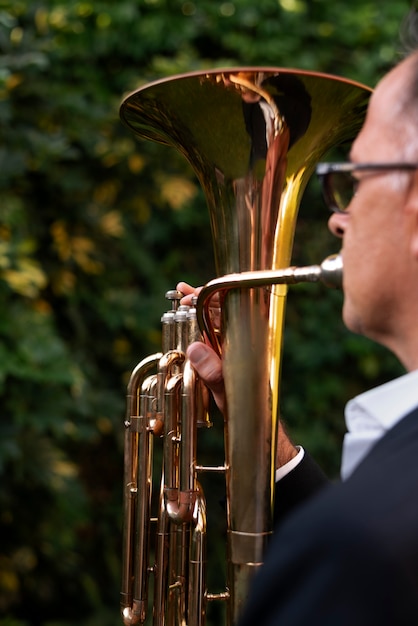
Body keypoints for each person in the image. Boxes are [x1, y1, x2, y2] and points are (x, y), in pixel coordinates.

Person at [177, 46, 418, 624]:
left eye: (355, 181)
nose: (338, 218)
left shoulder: (361, 546)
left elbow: (360, 552)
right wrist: (268, 447)